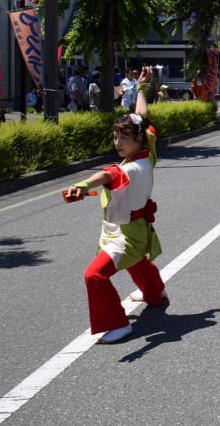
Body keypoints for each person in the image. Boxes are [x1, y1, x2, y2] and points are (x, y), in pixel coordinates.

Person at [63, 67, 166, 344]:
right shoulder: (149, 154)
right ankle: (156, 293)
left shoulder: (128, 169)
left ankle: (118, 324)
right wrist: (142, 88)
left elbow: (107, 175)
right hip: (137, 230)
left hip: (123, 237)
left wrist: (83, 185)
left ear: (138, 139)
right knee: (137, 265)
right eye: (116, 136)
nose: (118, 142)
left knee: (94, 275)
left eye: (124, 137)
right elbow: (143, 117)